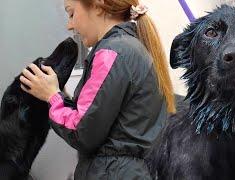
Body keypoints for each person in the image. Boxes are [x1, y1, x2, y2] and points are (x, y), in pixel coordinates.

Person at [19, 0, 176, 179]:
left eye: (71, 14)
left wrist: (52, 96)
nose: (70, 25)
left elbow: (82, 131)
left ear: (97, 6)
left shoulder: (112, 53)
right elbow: (95, 118)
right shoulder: (130, 49)